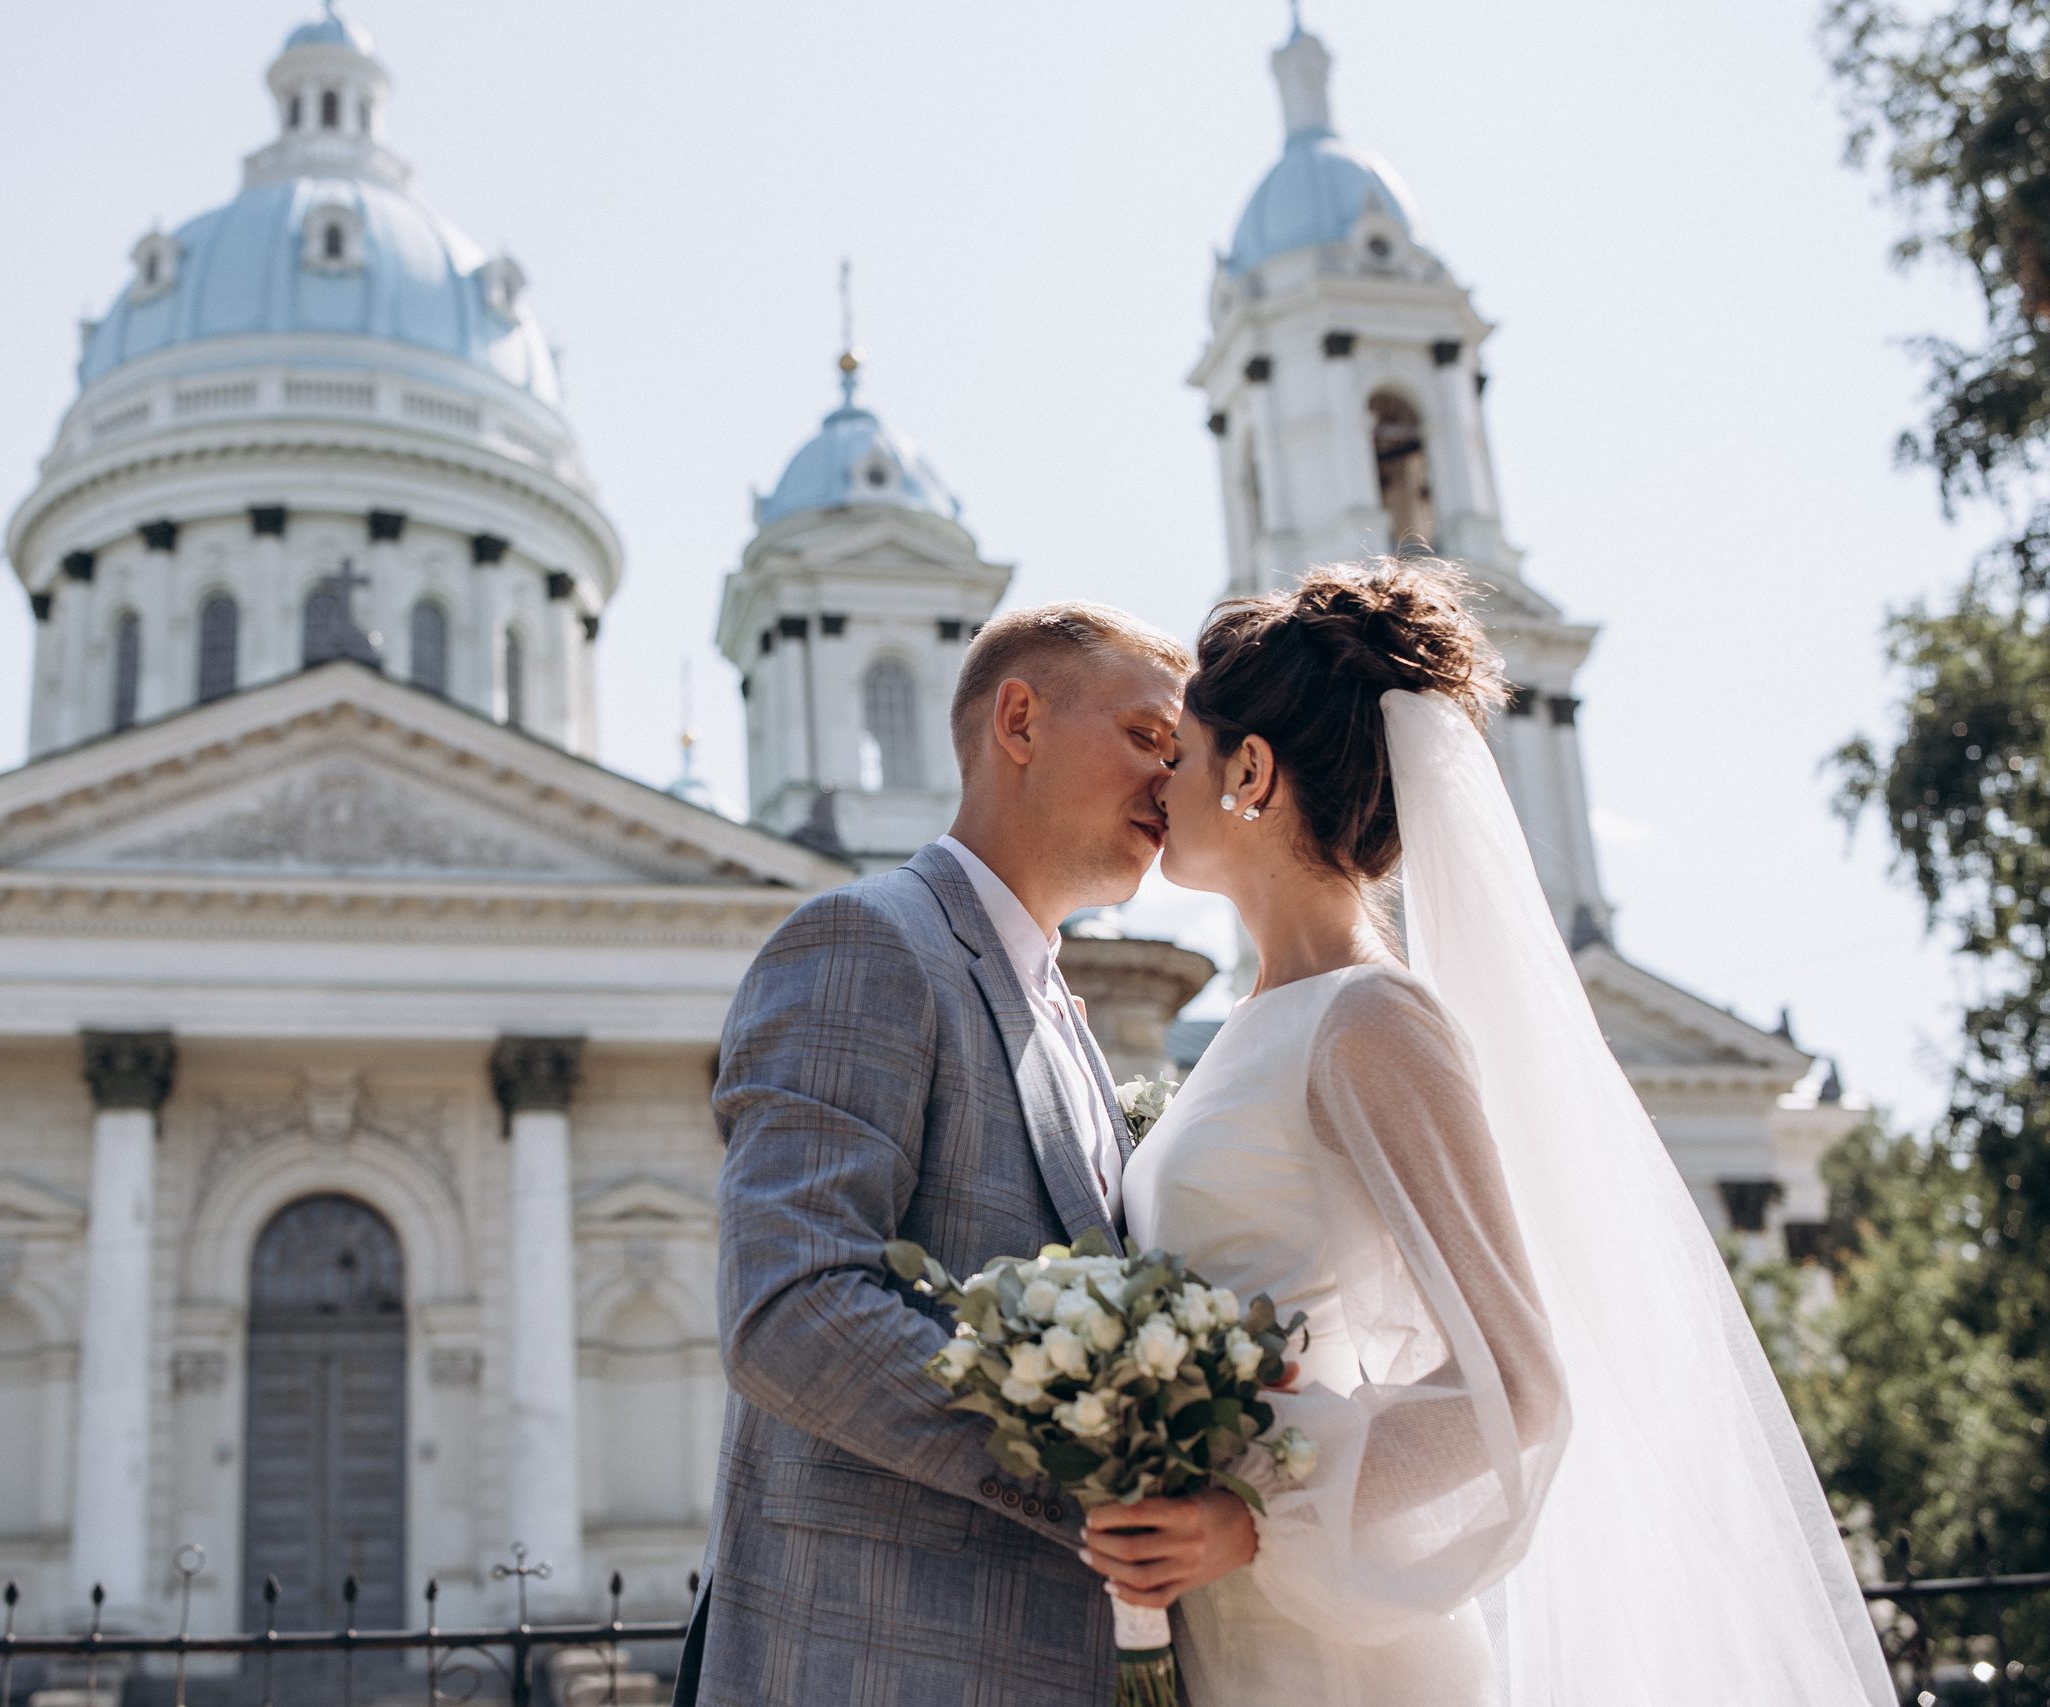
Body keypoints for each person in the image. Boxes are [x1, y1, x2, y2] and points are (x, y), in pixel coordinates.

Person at [1083, 560, 1891, 1703]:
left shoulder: (1370, 1019)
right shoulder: (1257, 1025)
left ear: (1249, 771)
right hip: (1228, 1628)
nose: (1159, 781)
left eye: (1181, 751)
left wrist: (1250, 1517)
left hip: (1329, 1657)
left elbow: (1515, 1384)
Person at [679, 602, 1192, 1707]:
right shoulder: (868, 939)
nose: (1174, 778)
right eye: (1148, 736)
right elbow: (791, 1308)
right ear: (1020, 720)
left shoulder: (1059, 1007)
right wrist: (1100, 1478)